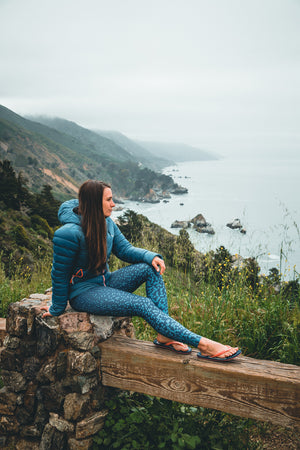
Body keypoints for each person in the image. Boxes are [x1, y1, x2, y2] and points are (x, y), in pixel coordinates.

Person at [42, 180, 241, 362]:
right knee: (143, 304)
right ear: (95, 202)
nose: (113, 204)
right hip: (84, 293)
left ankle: (165, 336)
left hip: (106, 281)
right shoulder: (67, 234)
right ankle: (204, 345)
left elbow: (125, 250)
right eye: (109, 200)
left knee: (150, 269)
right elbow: (59, 275)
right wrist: (56, 308)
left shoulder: (107, 223)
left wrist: (150, 256)